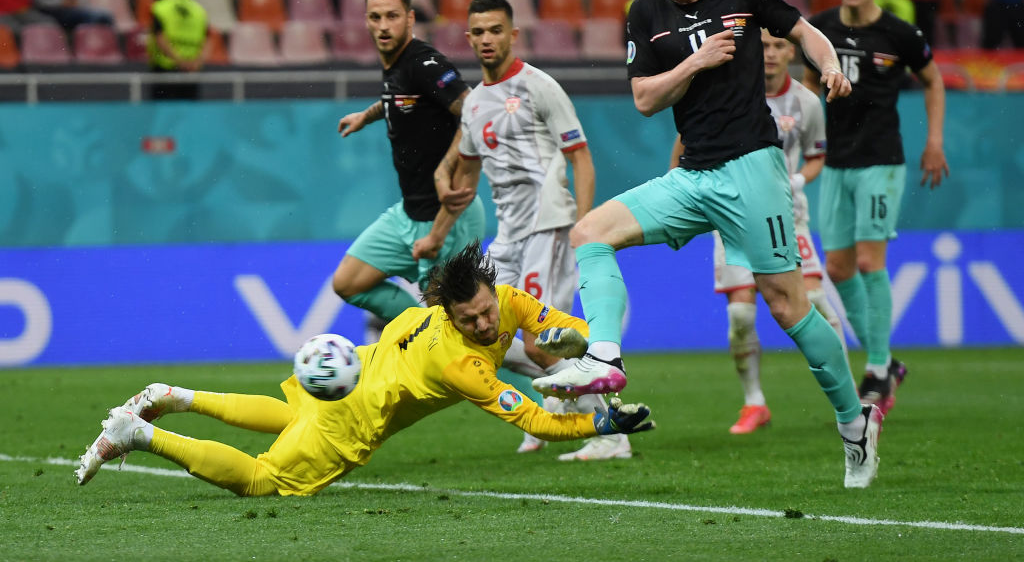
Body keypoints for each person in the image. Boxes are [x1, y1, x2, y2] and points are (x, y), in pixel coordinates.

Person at [531, 0, 881, 489]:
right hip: (693, 176)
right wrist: (694, 61)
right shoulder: (645, 13)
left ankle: (854, 422)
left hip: (752, 169)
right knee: (589, 233)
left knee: (789, 307)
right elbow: (644, 99)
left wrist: (826, 64)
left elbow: (803, 31)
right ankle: (606, 357)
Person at [74, 242, 656, 493]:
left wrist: (575, 336)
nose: (484, 326)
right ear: (447, 316)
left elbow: (559, 321)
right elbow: (536, 421)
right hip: (357, 413)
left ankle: (171, 394)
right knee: (263, 480)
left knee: (286, 416)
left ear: (491, 292)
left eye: (485, 312)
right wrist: (602, 425)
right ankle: (141, 434)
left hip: (354, 370)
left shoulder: (505, 304)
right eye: (470, 320)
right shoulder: (463, 367)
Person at [414, 0, 627, 461]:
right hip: (507, 236)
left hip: (548, 224)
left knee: (539, 337)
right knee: (479, 330)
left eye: (496, 30)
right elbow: (466, 179)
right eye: (479, 32)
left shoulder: (539, 86)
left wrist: (583, 225)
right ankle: (557, 401)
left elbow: (581, 158)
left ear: (513, 34)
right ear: (467, 38)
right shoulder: (473, 106)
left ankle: (611, 433)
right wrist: (435, 231)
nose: (487, 39)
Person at [803, 0, 949, 416]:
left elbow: (933, 80)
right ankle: (887, 362)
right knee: (839, 269)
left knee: (869, 261)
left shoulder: (899, 34)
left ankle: (880, 367)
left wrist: (934, 142)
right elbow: (808, 85)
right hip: (837, 162)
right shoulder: (820, 30)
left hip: (882, 161)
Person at [682, 29, 845, 435]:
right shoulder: (729, 92)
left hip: (788, 217)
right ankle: (754, 402)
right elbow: (685, 145)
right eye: (764, 46)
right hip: (732, 212)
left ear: (791, 50)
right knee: (740, 314)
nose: (770, 54)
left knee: (817, 303)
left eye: (778, 46)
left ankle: (848, 394)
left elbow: (816, 157)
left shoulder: (807, 103)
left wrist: (796, 182)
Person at [333, 0, 485, 328]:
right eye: (375, 18)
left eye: (392, 16)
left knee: (464, 331)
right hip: (409, 213)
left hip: (447, 216)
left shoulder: (423, 63)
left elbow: (474, 113)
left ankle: (544, 370)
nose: (383, 26)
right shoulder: (397, 65)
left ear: (410, 19)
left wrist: (443, 177)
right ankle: (421, 330)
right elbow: (399, 100)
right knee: (348, 283)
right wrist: (367, 116)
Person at [147, 0, 208, 100]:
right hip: (192, 70)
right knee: (188, 114)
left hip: (166, 69)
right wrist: (197, 61)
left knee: (163, 115)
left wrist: (179, 60)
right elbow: (208, 39)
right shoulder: (197, 8)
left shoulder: (160, 7)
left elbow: (160, 38)